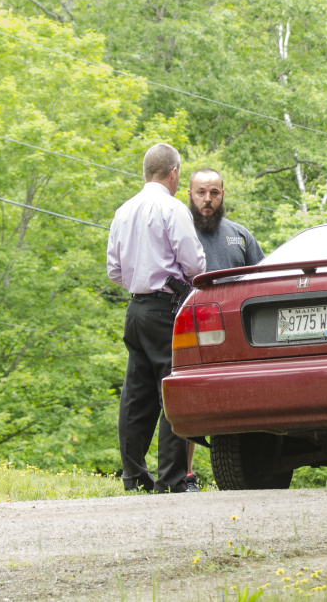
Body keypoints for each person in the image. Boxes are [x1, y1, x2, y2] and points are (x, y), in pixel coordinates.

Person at [107, 143, 206, 493]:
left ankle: (133, 475)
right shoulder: (172, 208)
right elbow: (195, 264)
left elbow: (114, 271)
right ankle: (172, 479)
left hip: (135, 309)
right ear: (174, 172)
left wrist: (140, 281)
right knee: (172, 389)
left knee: (136, 394)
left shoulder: (123, 210)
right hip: (166, 308)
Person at [183, 167, 265, 490]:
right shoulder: (179, 233)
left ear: (222, 196)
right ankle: (185, 474)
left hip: (237, 334)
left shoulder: (240, 235)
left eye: (214, 193)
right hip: (191, 330)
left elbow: (262, 279)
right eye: (201, 192)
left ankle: (251, 468)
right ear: (189, 195)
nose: (207, 200)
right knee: (189, 400)